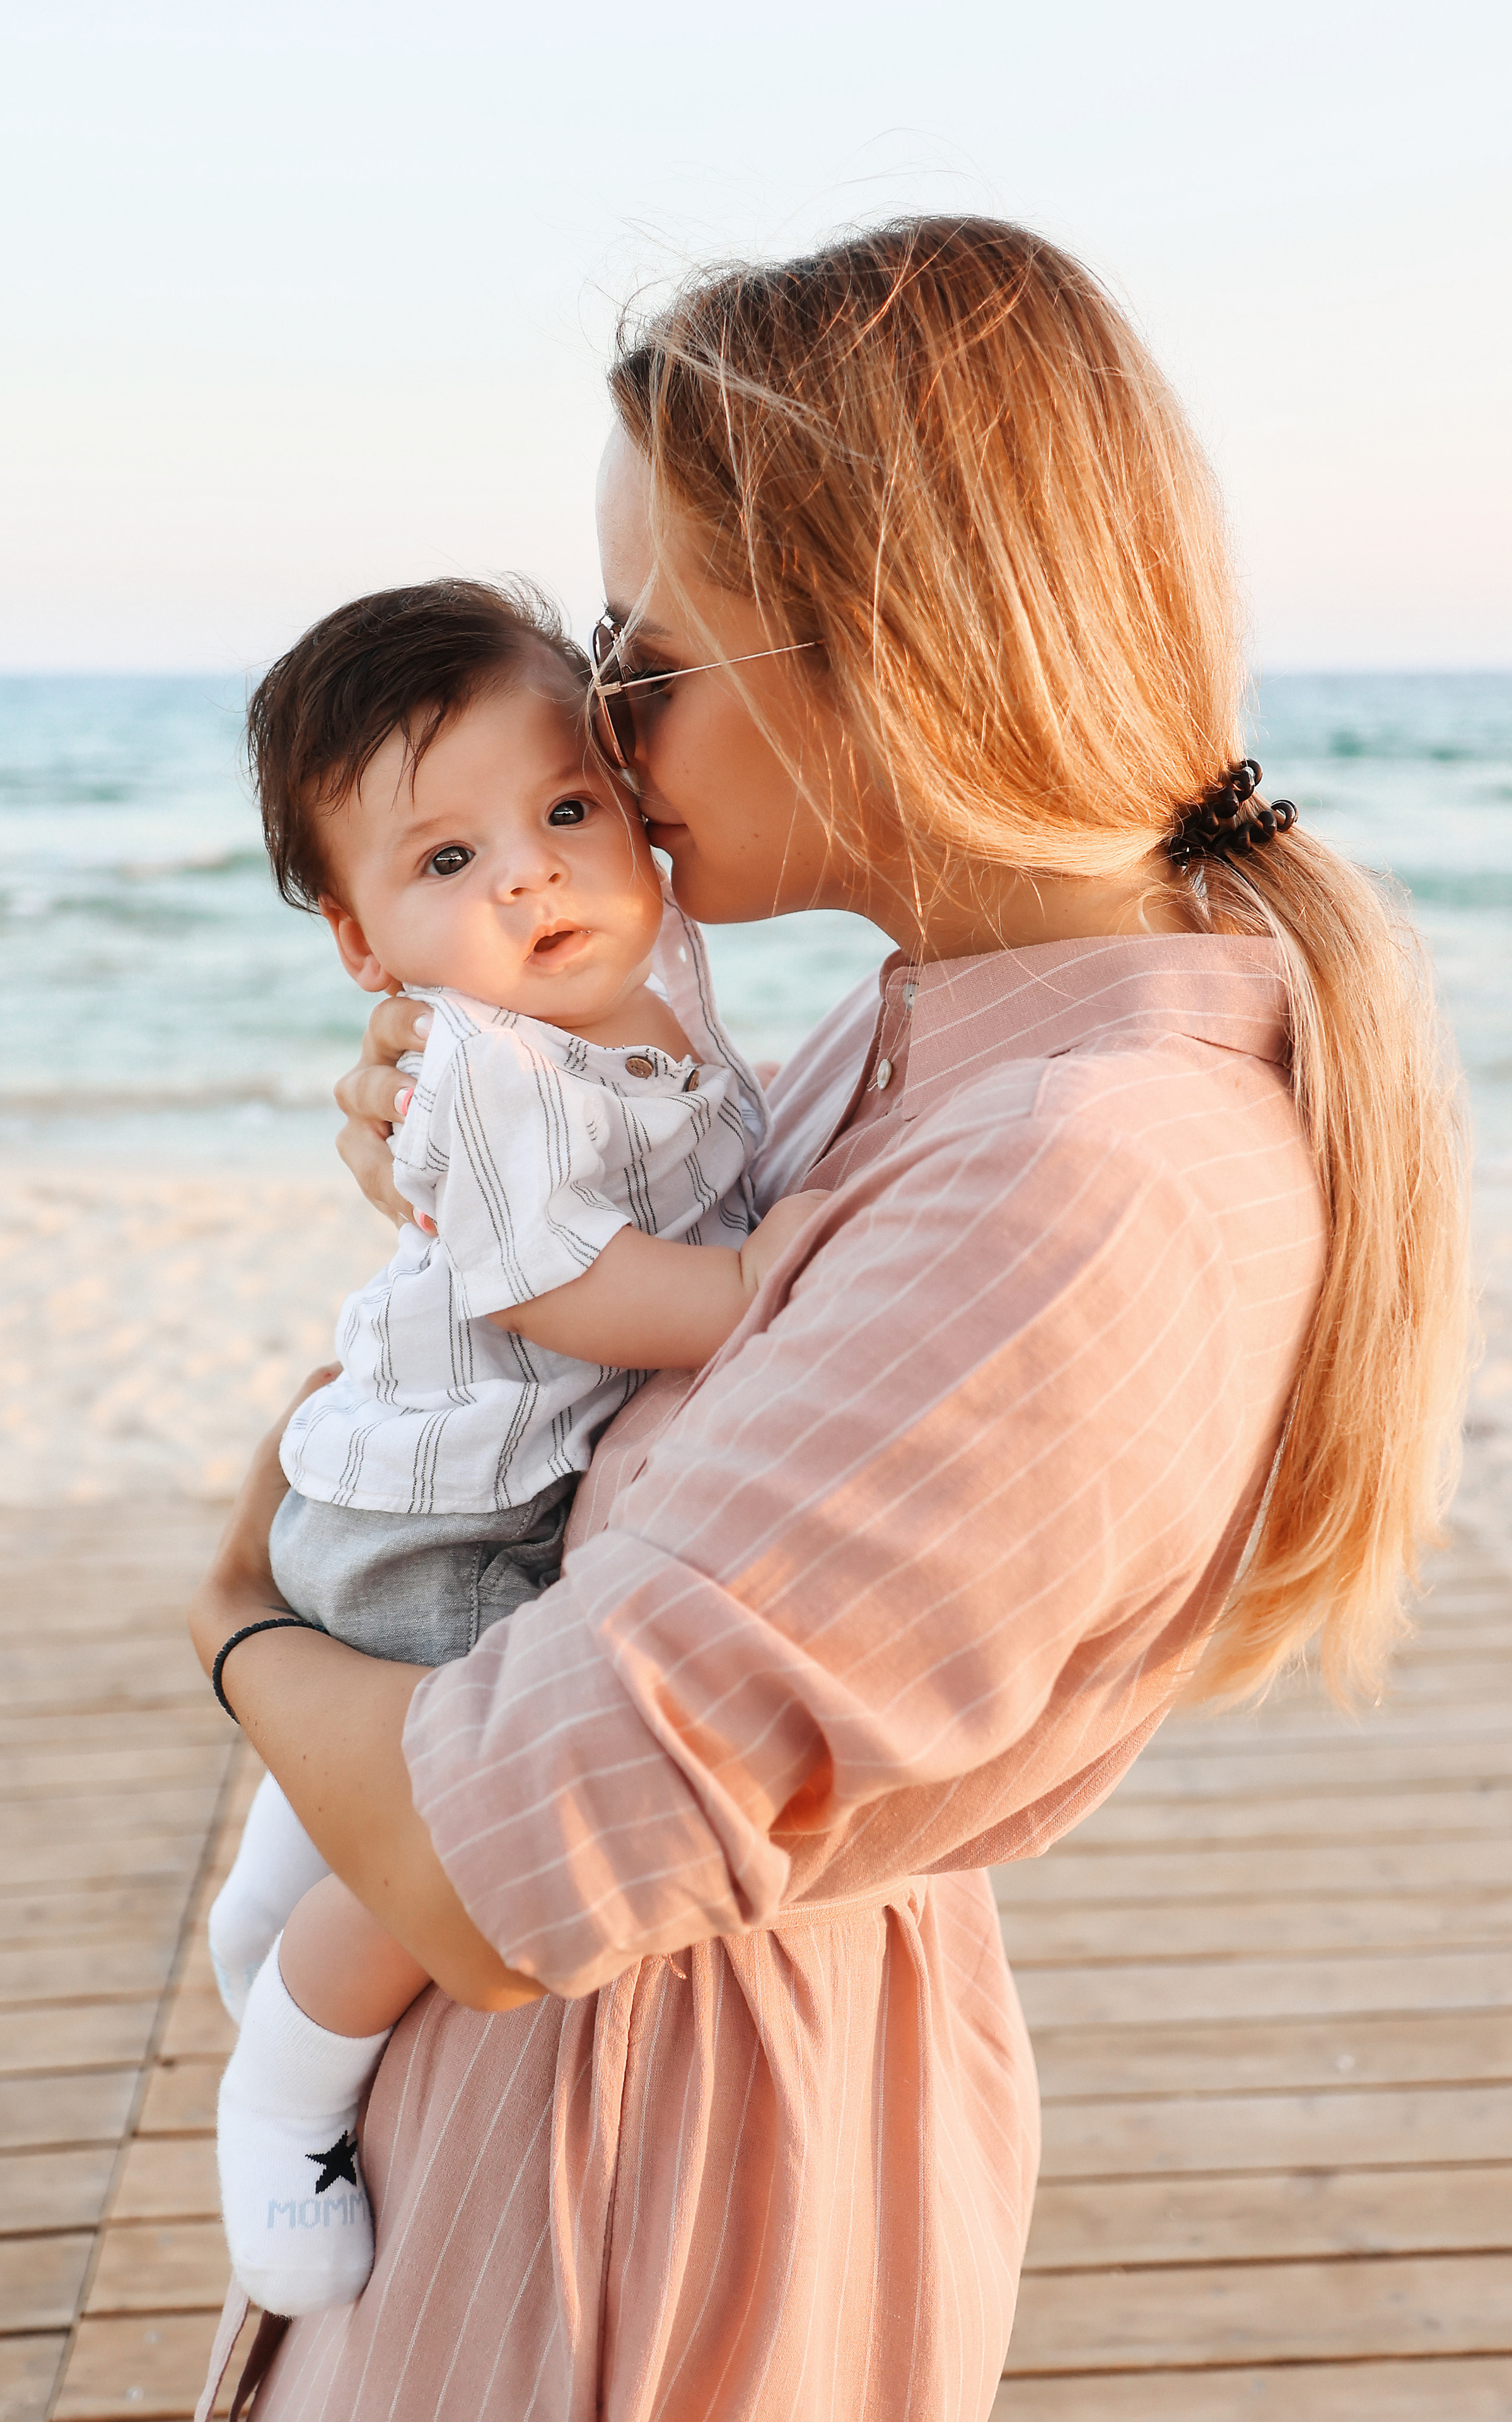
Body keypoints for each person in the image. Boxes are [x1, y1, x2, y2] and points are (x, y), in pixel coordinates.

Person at [190, 217, 1469, 2422]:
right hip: (565, 2125)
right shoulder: (928, 1040)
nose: (597, 727)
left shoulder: (1076, 1176)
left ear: (879, 652)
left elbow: (499, 1865)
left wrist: (234, 1615)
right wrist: (477, 1123)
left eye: (642, 655)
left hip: (633, 2191)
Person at [202, 576, 819, 2315]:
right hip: (447, 1522)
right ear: (364, 946)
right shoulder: (479, 1064)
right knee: (451, 1826)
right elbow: (563, 1284)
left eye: (566, 812)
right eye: (449, 860)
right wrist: (755, 1289)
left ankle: (269, 1892)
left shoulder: (645, 975)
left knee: (353, 1782)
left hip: (419, 1481)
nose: (535, 878)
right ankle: (288, 2085)